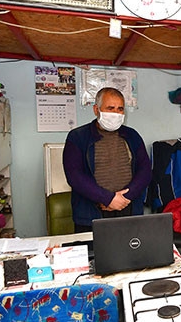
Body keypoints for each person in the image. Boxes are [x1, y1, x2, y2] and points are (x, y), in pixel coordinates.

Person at [63, 87, 151, 233]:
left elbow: (145, 171)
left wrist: (125, 198)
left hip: (128, 211)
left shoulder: (132, 135)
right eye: (110, 108)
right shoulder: (77, 137)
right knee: (94, 255)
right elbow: (75, 176)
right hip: (91, 215)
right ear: (96, 110)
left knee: (129, 254)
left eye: (120, 109)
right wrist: (108, 199)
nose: (116, 113)